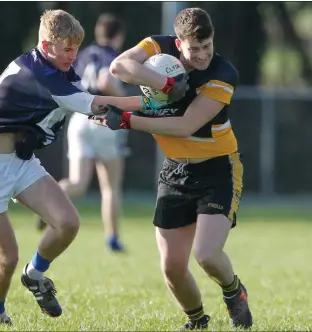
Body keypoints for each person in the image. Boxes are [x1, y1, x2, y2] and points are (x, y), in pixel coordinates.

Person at [0, 9, 188, 327]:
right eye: (66, 49)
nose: (72, 55)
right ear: (46, 44)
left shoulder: (58, 70)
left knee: (67, 223)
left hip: (20, 162)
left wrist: (122, 113)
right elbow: (94, 103)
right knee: (7, 258)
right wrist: (154, 100)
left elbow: (88, 106)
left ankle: (35, 276)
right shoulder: (41, 75)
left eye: (75, 48)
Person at [93, 7, 253, 330]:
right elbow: (119, 67)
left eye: (207, 46)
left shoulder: (223, 73)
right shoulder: (158, 47)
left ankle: (234, 291)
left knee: (206, 254)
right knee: (172, 267)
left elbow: (184, 124)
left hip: (217, 169)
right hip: (175, 172)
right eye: (194, 49)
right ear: (178, 44)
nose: (203, 54)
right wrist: (163, 83)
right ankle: (197, 320)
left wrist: (124, 120)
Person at [36, 13, 128, 252]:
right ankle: (113, 239)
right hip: (105, 120)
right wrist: (126, 100)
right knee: (110, 187)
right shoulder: (114, 55)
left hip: (79, 119)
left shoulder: (82, 54)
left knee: (77, 183)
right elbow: (105, 79)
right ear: (119, 36)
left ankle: (46, 205)